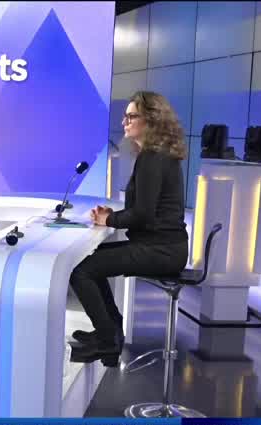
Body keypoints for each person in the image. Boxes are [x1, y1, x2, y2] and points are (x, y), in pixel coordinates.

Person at [69, 91, 189, 367]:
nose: (125, 122)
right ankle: (110, 331)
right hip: (164, 246)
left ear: (151, 120)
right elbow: (146, 209)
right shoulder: (156, 155)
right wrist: (112, 216)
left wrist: (109, 220)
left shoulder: (153, 158)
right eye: (125, 116)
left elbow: (143, 214)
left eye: (132, 116)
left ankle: (107, 340)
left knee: (82, 271)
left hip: (160, 250)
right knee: (89, 262)